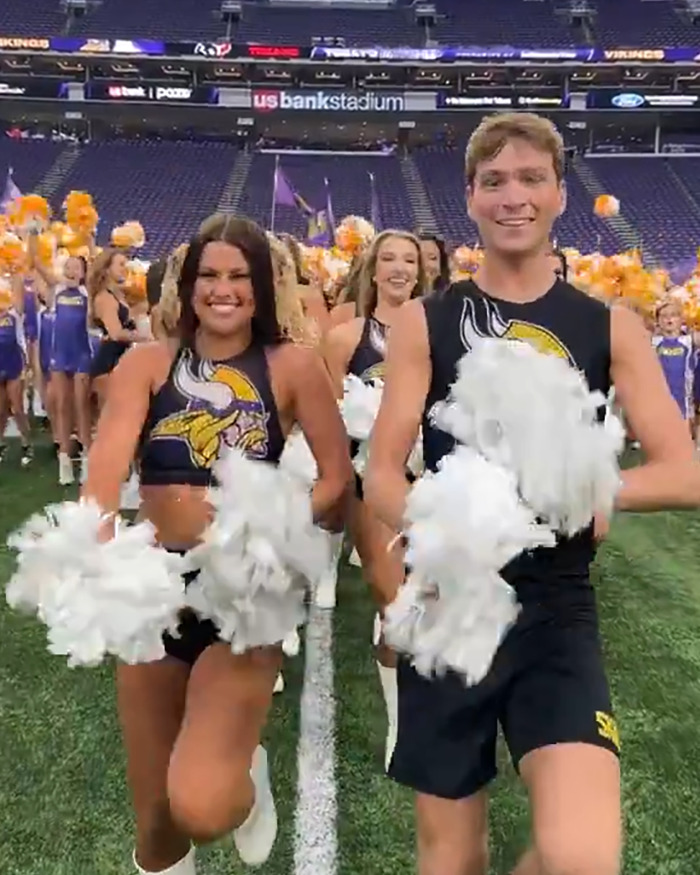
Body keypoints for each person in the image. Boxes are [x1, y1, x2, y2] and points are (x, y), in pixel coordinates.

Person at [364, 112, 700, 875]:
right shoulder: (427, 320)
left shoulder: (609, 325)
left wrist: (584, 489)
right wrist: (437, 519)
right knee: (450, 858)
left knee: (582, 856)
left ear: (558, 195)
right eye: (495, 182)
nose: (513, 197)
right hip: (453, 599)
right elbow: (381, 469)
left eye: (530, 179)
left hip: (556, 607)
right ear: (471, 198)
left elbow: (685, 470)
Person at [82, 214, 351, 875]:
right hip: (156, 590)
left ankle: (245, 777)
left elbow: (339, 479)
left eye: (239, 275)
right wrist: (99, 539)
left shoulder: (291, 366)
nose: (222, 288)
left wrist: (272, 521)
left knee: (201, 805)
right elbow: (106, 467)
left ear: (262, 285)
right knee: (158, 827)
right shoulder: (147, 361)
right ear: (188, 282)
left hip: (245, 592)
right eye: (209, 274)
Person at [324, 229, 426, 769]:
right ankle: (400, 725)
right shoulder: (347, 338)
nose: (399, 268)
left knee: (433, 603)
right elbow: (322, 425)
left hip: (435, 483)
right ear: (372, 269)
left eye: (408, 260)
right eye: (388, 259)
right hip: (373, 485)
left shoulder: (439, 333)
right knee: (397, 608)